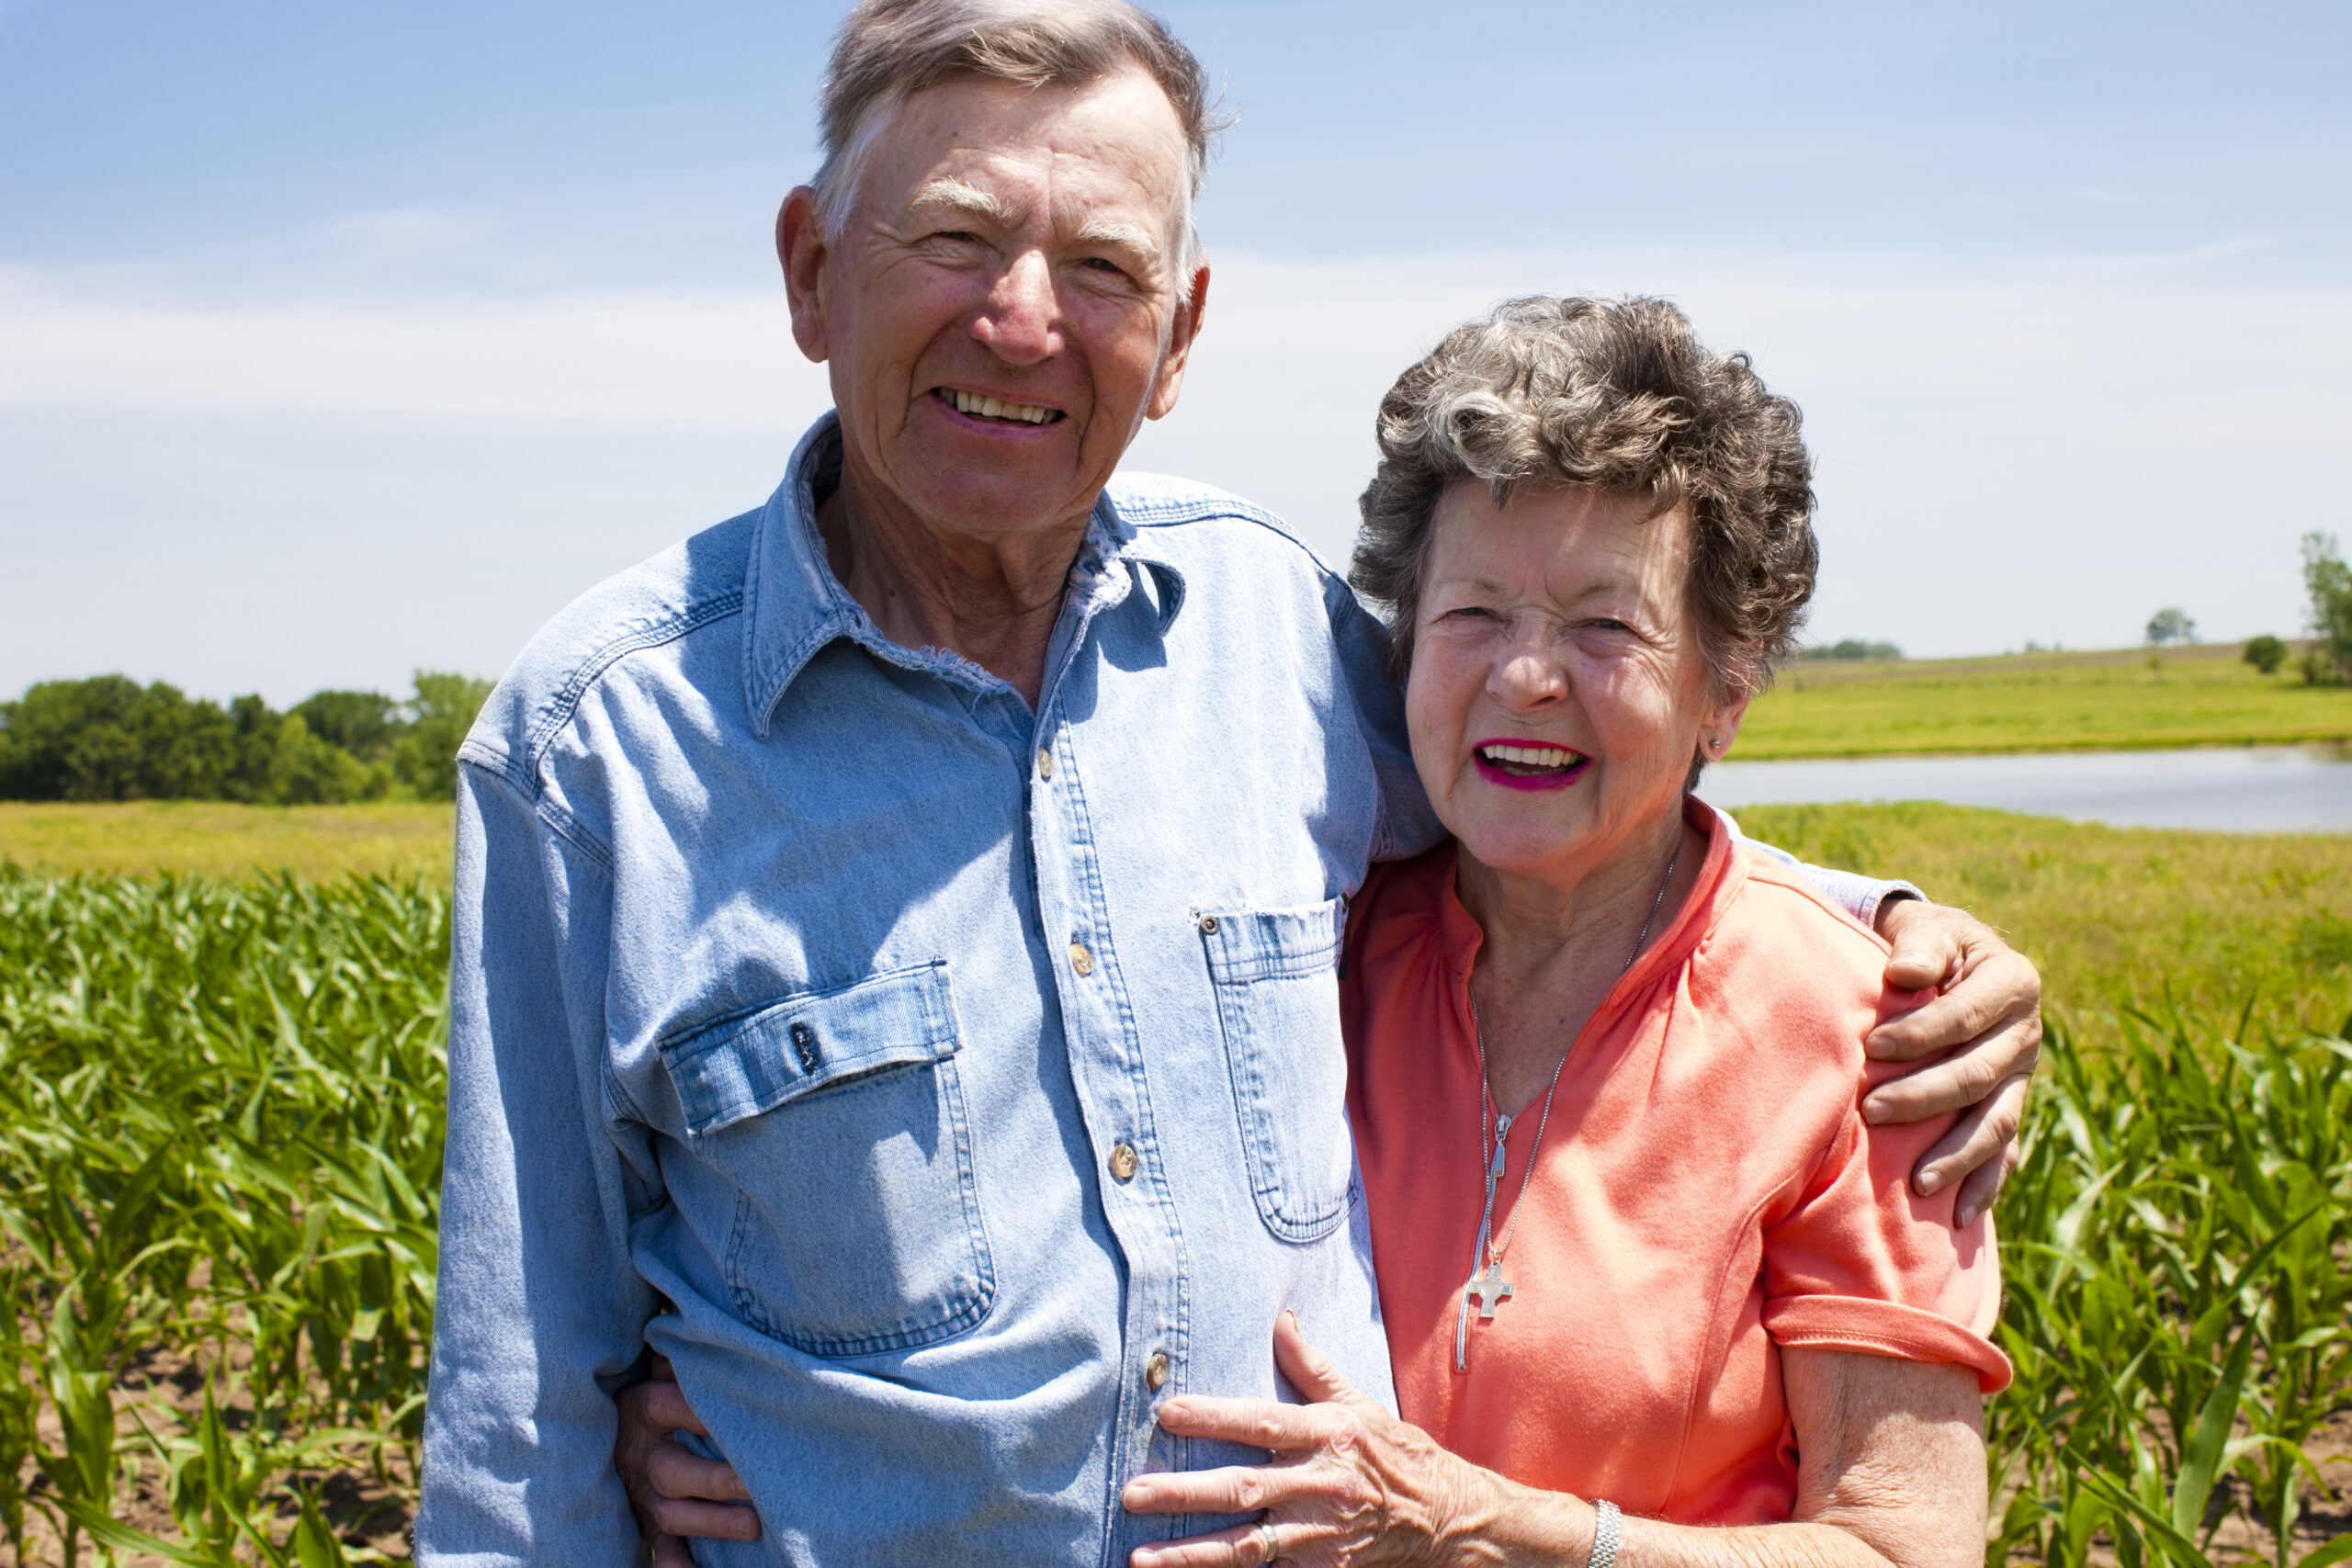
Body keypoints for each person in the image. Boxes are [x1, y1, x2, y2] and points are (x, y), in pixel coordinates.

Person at [424, 4, 2041, 1563]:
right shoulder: (597, 754)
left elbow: (1573, 816)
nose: (1023, 320)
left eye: (1103, 269)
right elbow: (517, 1407)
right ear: (809, 272)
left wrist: (1889, 933)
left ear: (1181, 335)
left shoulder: (1268, 632)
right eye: (955, 240)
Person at [1114, 298, 2008, 1567]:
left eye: (1605, 627)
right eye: (1474, 614)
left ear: (1725, 691)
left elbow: (1906, 1549)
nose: (1526, 677)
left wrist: (1499, 1532)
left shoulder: (1869, 1032)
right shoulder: (1311, 952)